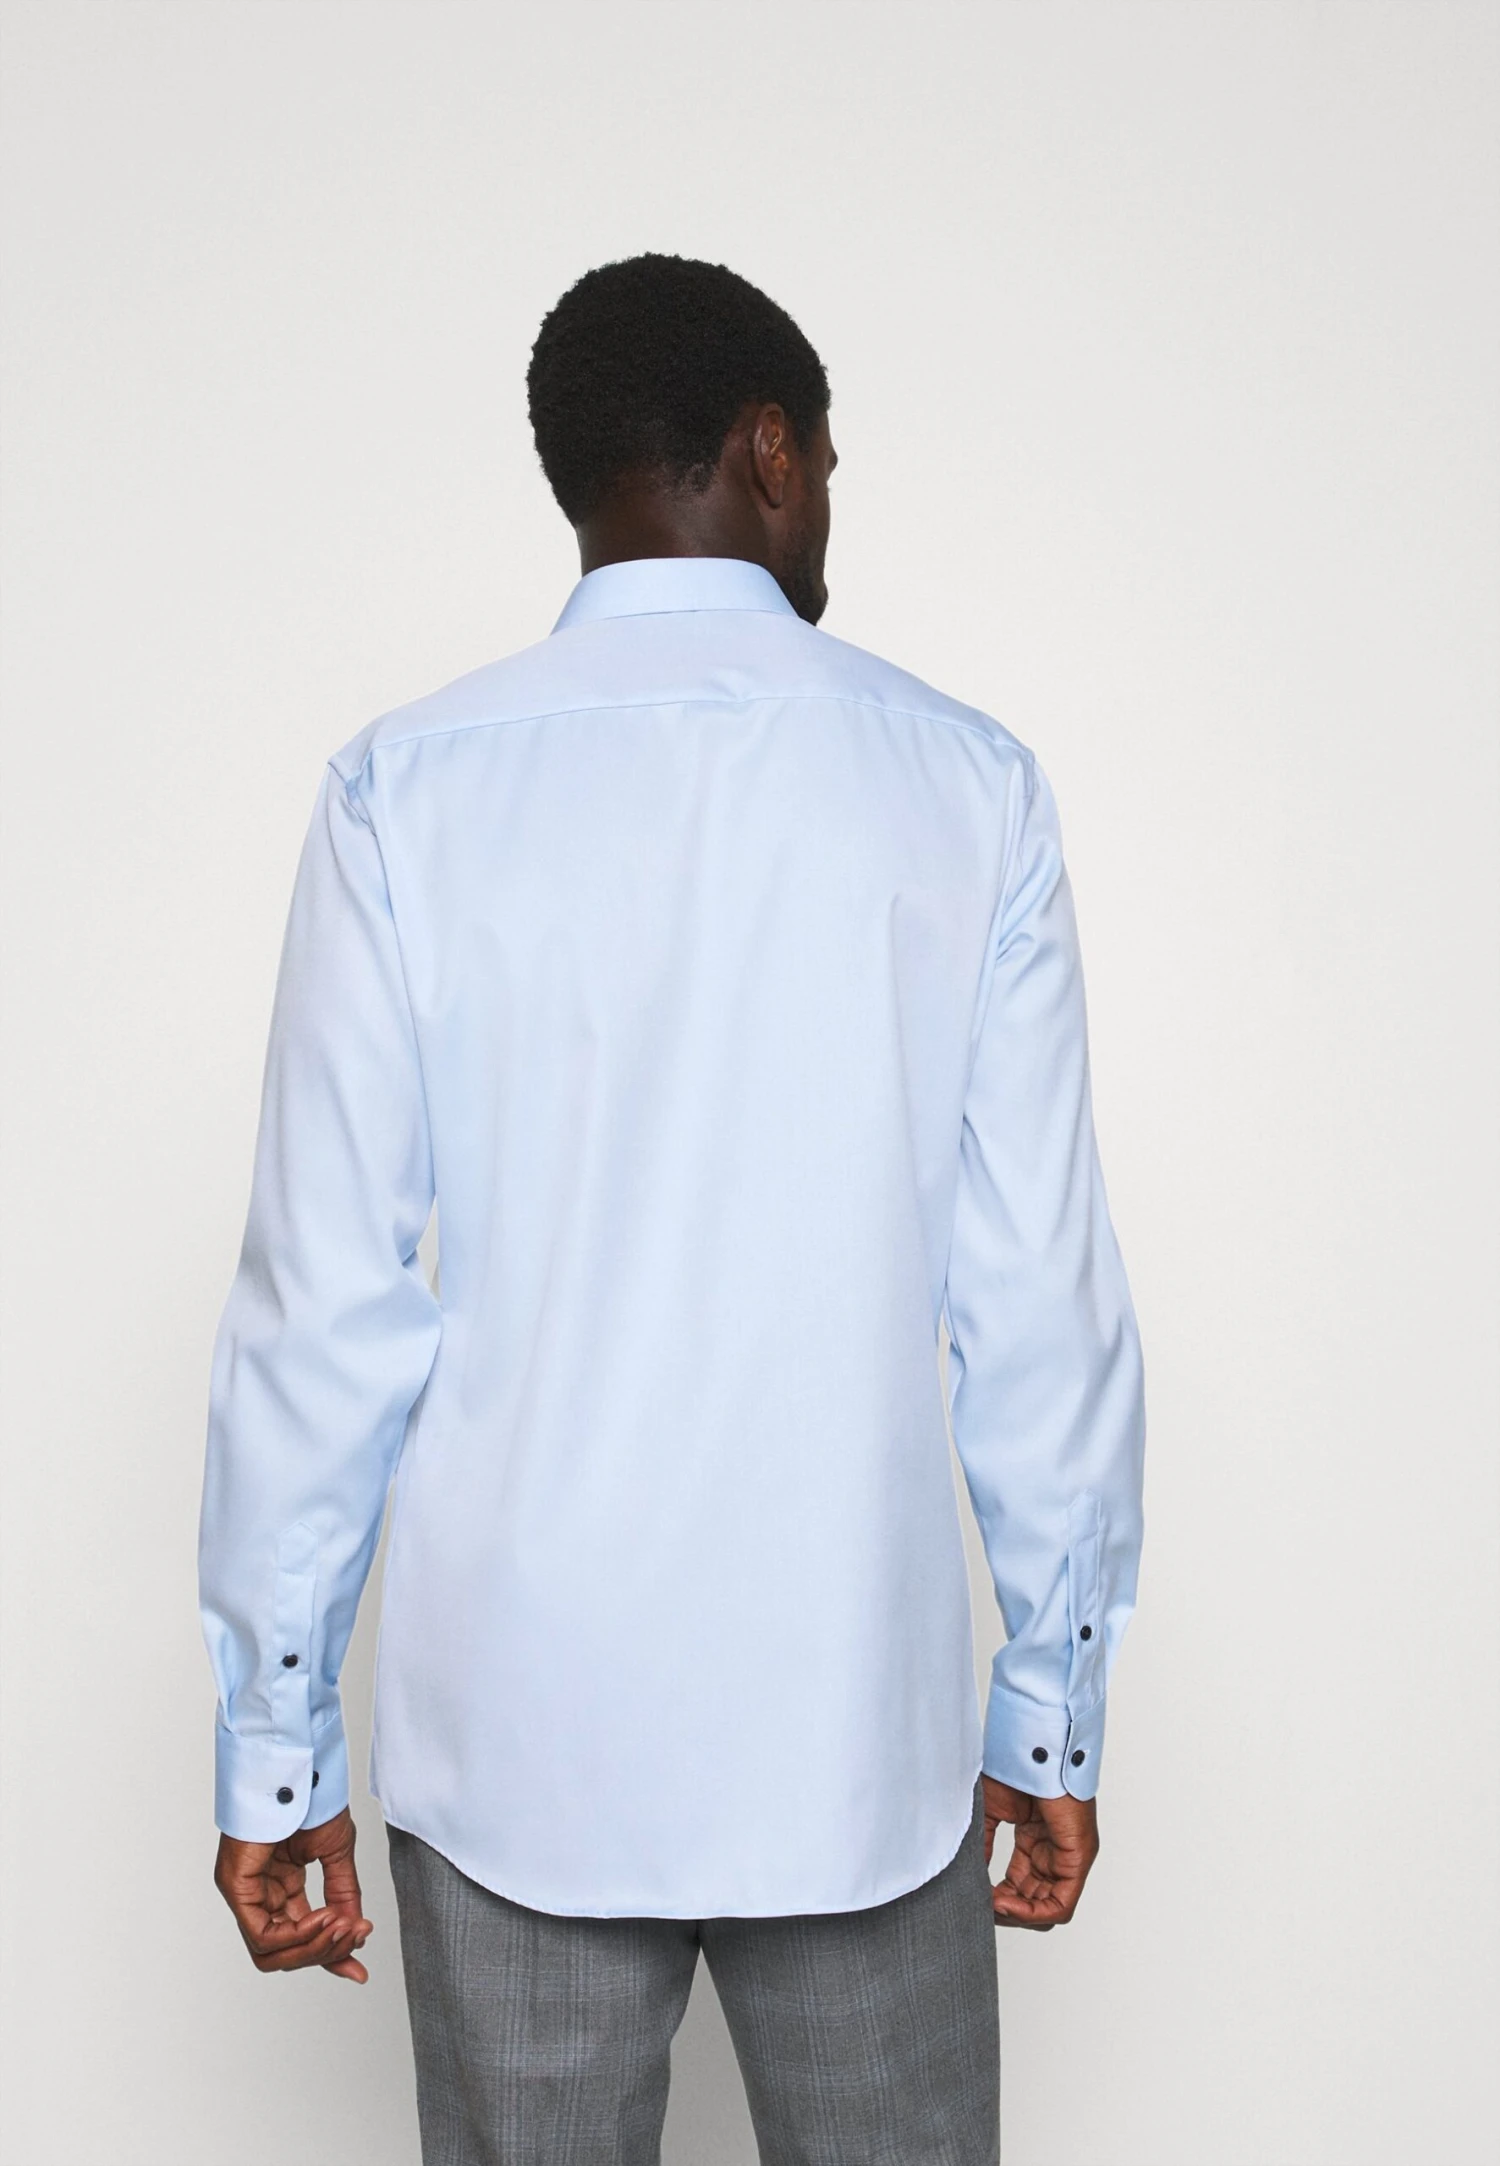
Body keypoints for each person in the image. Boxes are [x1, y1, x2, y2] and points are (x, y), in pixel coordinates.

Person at [200, 252, 1146, 2166]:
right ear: (769, 451)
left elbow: (323, 1307)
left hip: (516, 1738)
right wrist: (1051, 1704)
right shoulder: (966, 789)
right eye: (831, 467)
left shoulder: (405, 791)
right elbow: (1037, 1300)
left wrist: (275, 1742)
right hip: (855, 1735)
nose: (831, 509)